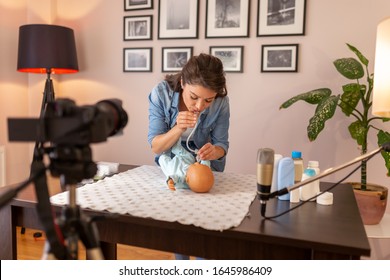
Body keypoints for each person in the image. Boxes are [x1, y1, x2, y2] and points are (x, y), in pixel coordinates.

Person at [147, 53, 230, 260]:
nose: (200, 106)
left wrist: (215, 151)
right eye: (194, 97)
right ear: (183, 82)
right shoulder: (161, 94)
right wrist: (178, 127)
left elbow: (222, 144)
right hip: (173, 168)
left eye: (208, 100)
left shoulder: (221, 102)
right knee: (181, 229)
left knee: (205, 229)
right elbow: (156, 147)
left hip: (202, 167)